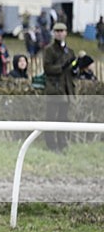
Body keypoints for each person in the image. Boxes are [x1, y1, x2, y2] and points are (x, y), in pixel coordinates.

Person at [42, 22, 76, 153]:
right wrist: (62, 67)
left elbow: (71, 70)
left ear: (66, 33)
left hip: (66, 88)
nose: (59, 33)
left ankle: (62, 142)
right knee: (51, 117)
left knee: (63, 117)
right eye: (57, 31)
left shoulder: (69, 51)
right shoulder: (49, 50)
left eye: (62, 31)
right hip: (54, 88)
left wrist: (75, 69)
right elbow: (47, 68)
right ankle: (51, 144)